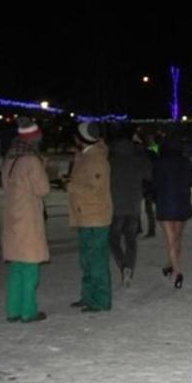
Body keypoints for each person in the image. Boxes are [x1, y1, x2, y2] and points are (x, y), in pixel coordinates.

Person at [2, 118, 50, 322]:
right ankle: (28, 311)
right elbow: (43, 189)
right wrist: (43, 168)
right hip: (28, 217)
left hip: (12, 216)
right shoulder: (31, 160)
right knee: (30, 266)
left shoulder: (10, 158)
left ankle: (13, 310)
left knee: (16, 267)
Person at [68, 122, 113, 313]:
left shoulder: (96, 159)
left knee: (97, 261)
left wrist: (70, 186)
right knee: (87, 260)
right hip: (86, 215)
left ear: (81, 138)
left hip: (96, 216)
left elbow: (96, 188)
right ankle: (88, 296)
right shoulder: (86, 155)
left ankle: (101, 300)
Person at [152, 135, 192, 289]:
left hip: (164, 203)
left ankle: (177, 272)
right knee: (177, 238)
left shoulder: (159, 163)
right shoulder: (185, 162)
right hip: (182, 203)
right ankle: (171, 265)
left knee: (170, 239)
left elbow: (154, 183)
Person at [108, 133, 152, 287]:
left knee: (113, 239)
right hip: (134, 206)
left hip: (117, 207)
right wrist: (141, 152)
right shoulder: (137, 161)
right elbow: (149, 174)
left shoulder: (111, 162)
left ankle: (123, 265)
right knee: (131, 240)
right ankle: (130, 267)